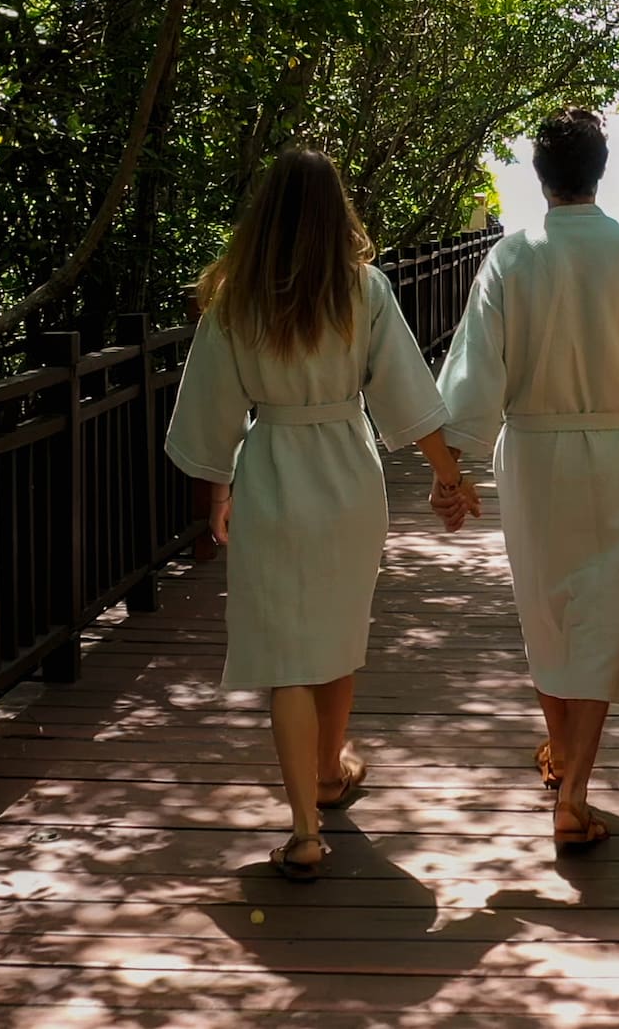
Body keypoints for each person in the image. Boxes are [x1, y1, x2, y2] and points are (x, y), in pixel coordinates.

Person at [165, 148, 480, 881]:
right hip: (346, 472)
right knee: (338, 633)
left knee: (286, 660)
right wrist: (449, 478)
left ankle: (307, 826)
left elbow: (212, 413)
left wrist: (220, 493)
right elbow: (405, 391)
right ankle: (331, 773)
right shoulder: (361, 289)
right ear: (338, 213)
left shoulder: (234, 300)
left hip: (272, 469)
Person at [434, 109, 619, 848]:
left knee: (546, 609)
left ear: (540, 175)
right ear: (600, 171)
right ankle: (577, 786)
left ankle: (562, 755)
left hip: (532, 452)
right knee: (604, 614)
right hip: (618, 450)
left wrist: (454, 466)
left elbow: (475, 373)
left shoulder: (512, 256)